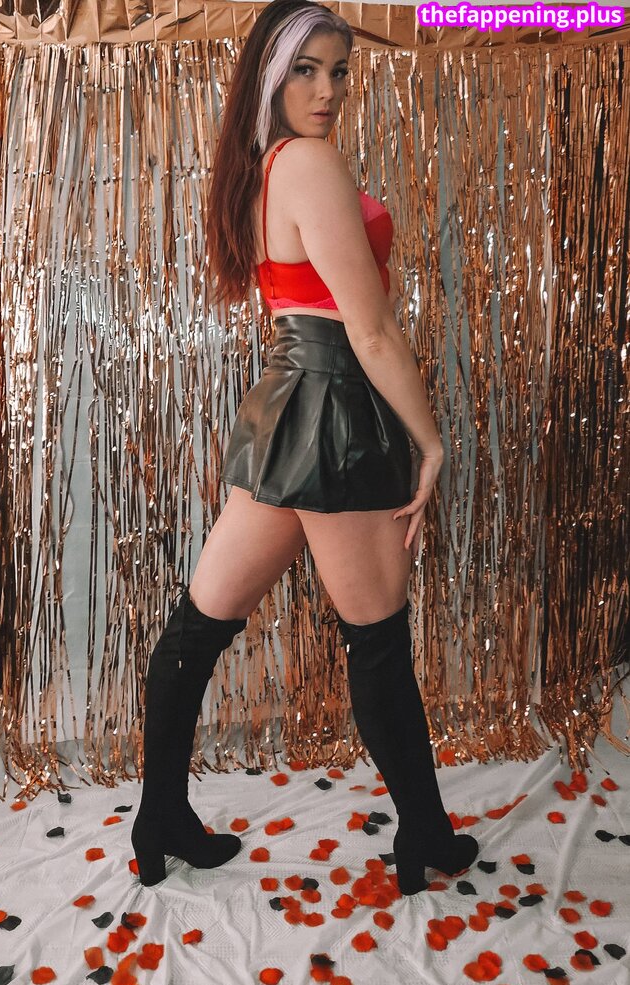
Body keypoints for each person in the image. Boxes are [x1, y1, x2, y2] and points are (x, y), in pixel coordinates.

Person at [131, 0, 479, 894]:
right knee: (377, 641)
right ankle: (426, 836)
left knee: (200, 622)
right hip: (336, 413)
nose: (327, 91)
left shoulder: (264, 165)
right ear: (270, 76)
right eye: (306, 70)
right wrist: (430, 440)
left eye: (339, 72)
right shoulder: (310, 163)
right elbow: (369, 329)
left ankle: (159, 814)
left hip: (287, 407)